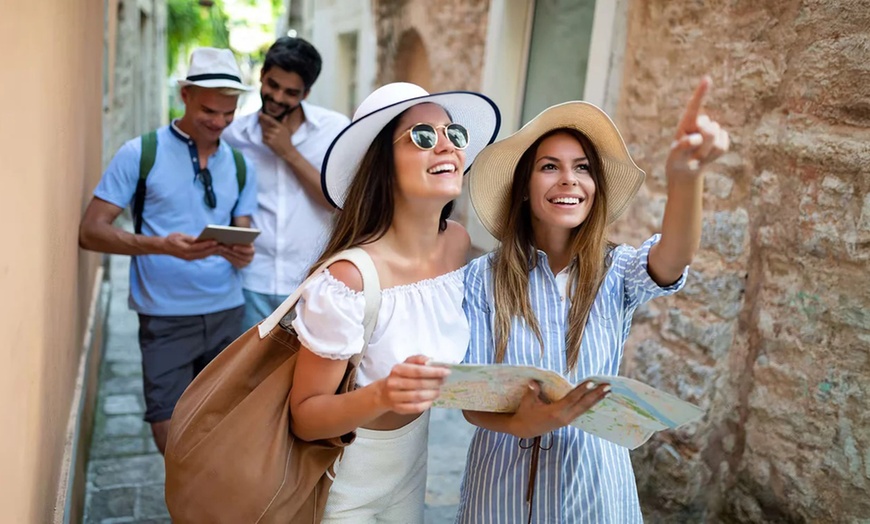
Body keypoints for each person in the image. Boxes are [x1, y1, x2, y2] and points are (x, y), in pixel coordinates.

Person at [455, 77, 730, 523]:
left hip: (594, 488)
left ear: (595, 186)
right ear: (523, 187)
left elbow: (675, 255)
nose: (569, 179)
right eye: (549, 166)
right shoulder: (481, 278)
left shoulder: (617, 271)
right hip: (503, 488)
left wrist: (686, 178)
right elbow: (471, 397)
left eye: (582, 168)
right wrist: (522, 424)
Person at [287, 82, 500, 523]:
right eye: (423, 136)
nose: (446, 146)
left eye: (453, 134)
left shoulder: (457, 245)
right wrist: (383, 393)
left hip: (411, 469)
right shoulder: (347, 279)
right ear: (383, 165)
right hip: (343, 480)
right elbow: (305, 417)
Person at [78, 48, 258, 454]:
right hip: (164, 316)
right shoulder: (140, 153)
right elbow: (91, 232)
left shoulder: (242, 165)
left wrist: (242, 253)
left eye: (229, 115)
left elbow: (242, 231)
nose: (219, 123)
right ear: (185, 94)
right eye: (210, 111)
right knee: (168, 425)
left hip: (228, 312)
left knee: (225, 422)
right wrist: (160, 246)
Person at [222, 37, 350, 329]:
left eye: (290, 92)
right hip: (249, 282)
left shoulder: (334, 130)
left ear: (306, 93)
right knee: (249, 375)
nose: (278, 97)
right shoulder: (234, 135)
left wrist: (288, 151)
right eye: (272, 85)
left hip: (313, 282)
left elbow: (338, 203)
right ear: (261, 77)